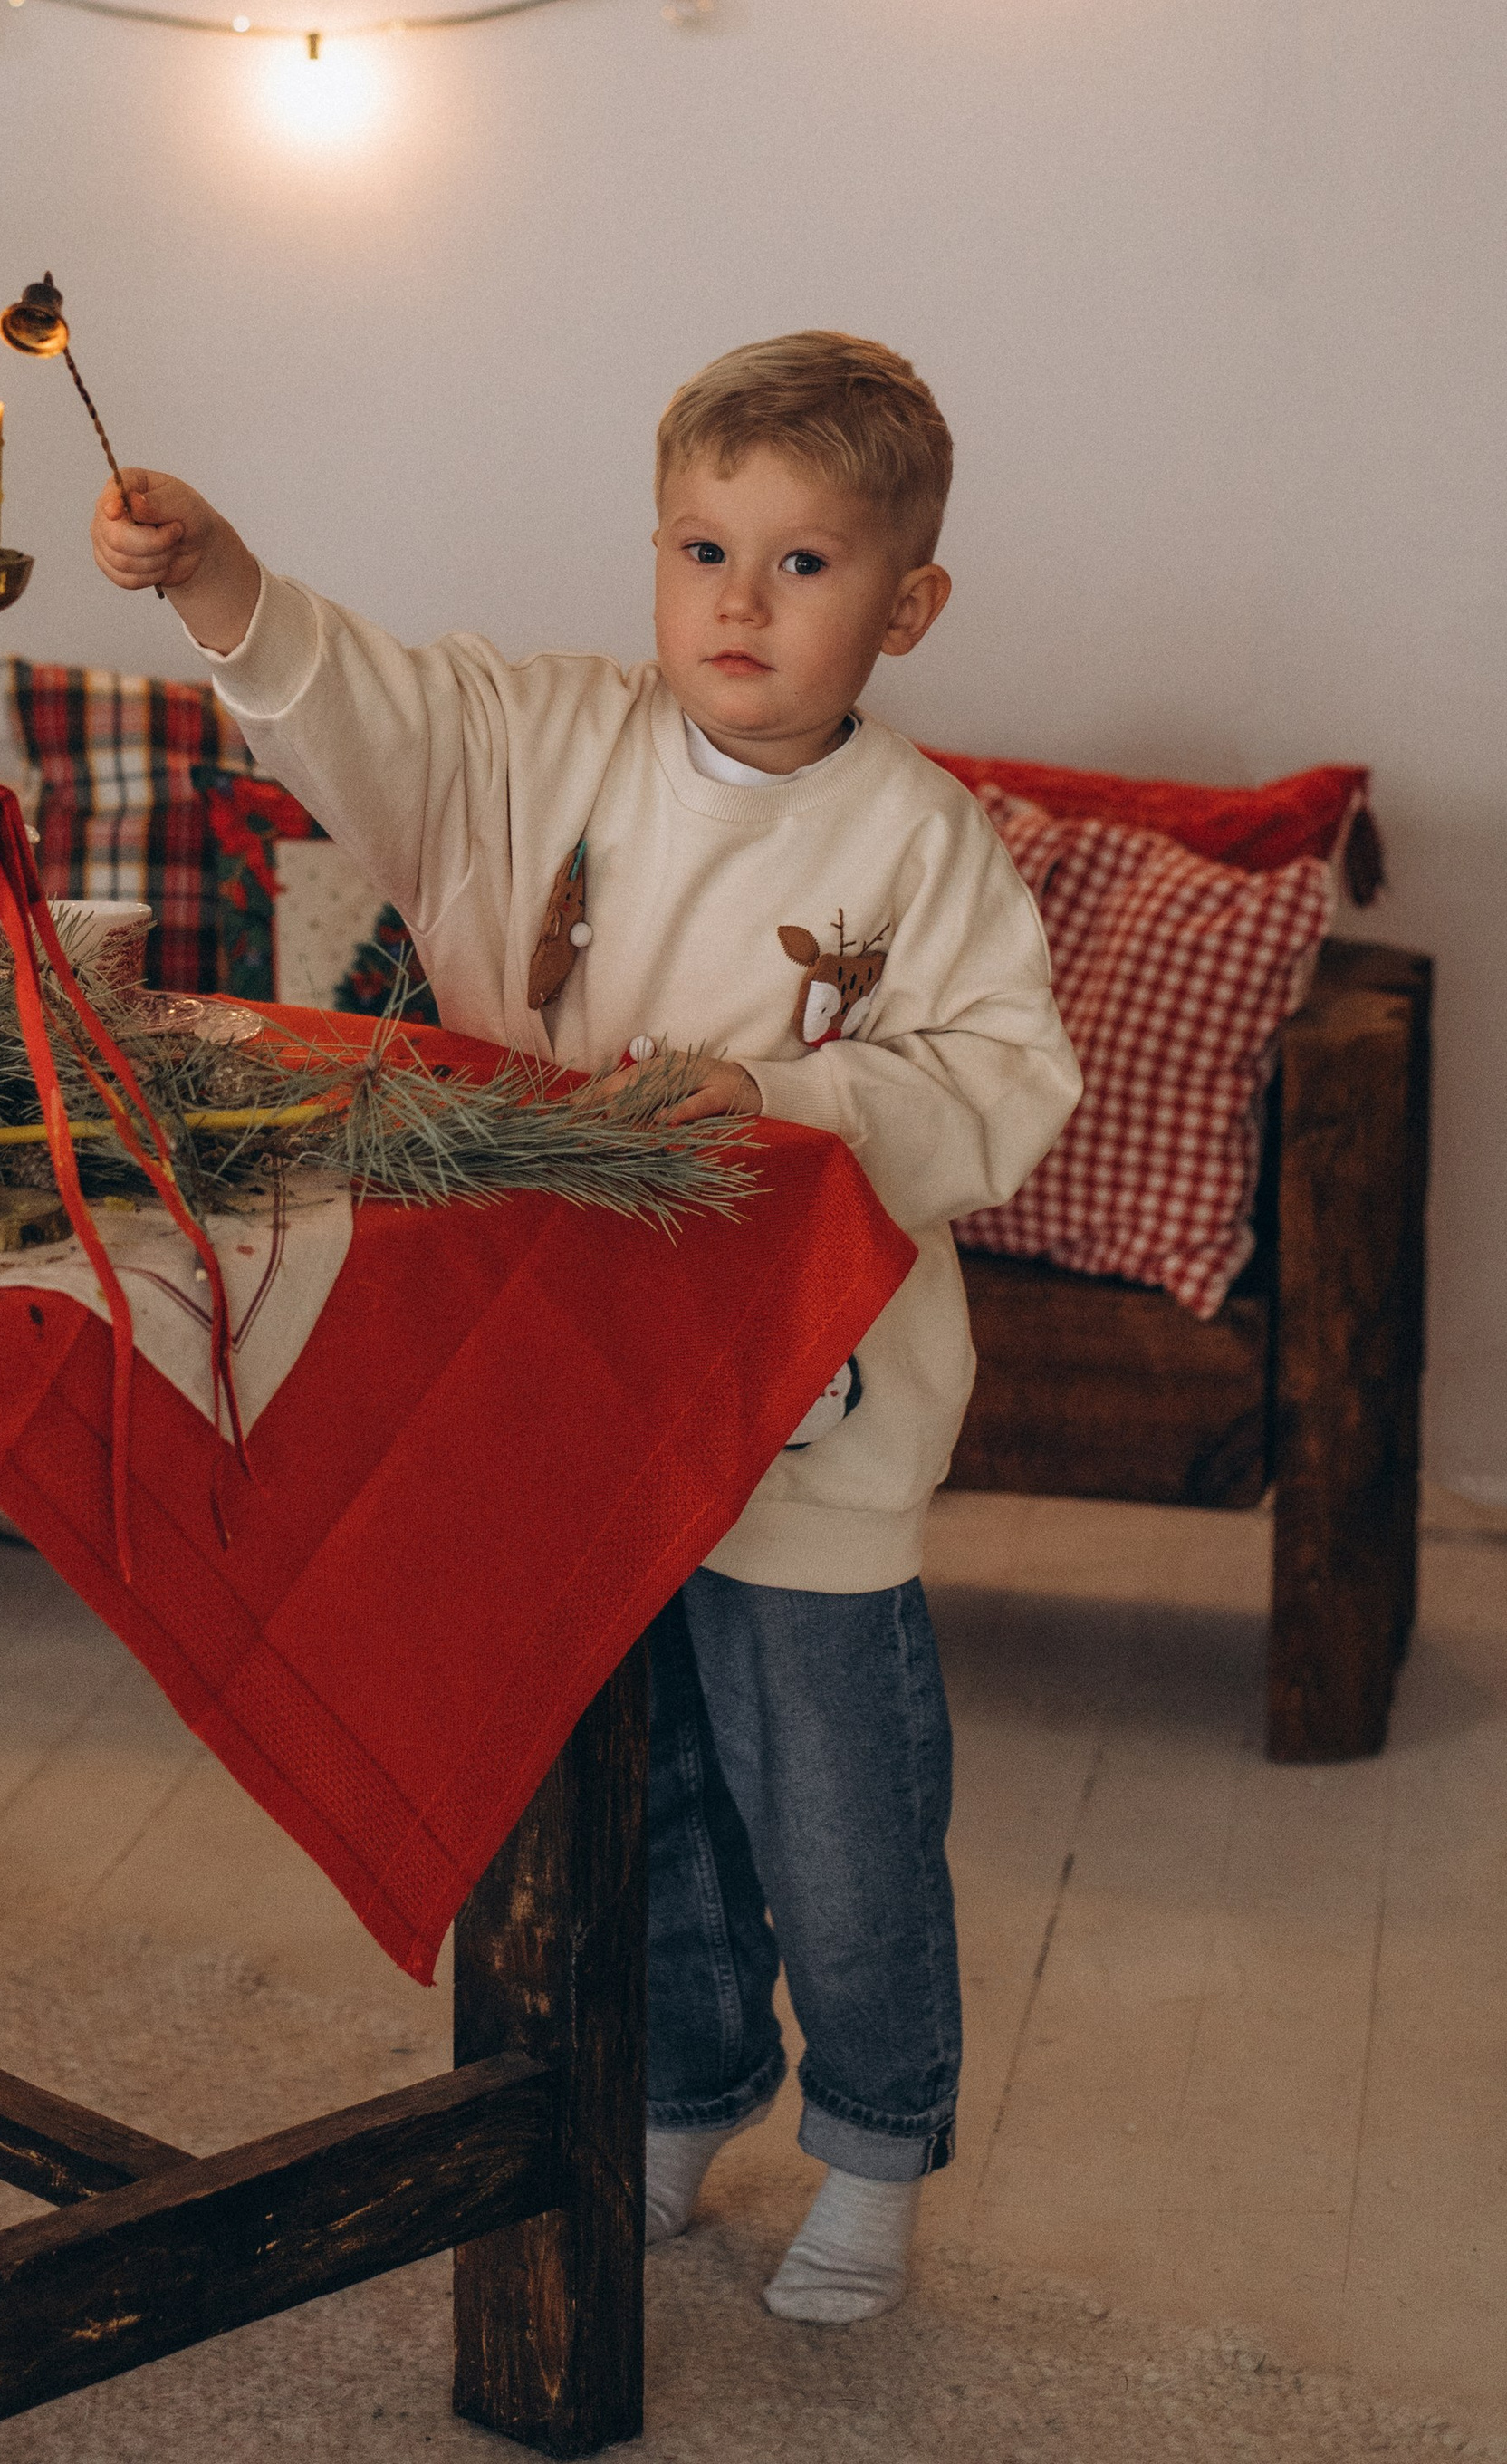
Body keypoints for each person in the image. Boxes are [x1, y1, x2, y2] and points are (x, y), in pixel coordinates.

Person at [91, 328, 1079, 2324]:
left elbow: (1003, 1081)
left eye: (802, 564)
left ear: (909, 601)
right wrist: (216, 578)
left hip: (812, 1412)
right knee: (641, 1795)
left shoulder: (921, 842)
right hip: (570, 1398)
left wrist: (785, 1096)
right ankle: (679, 2090)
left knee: (835, 1804)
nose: (737, 599)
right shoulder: (542, 745)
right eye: (701, 547)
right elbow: (349, 698)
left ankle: (875, 2143)